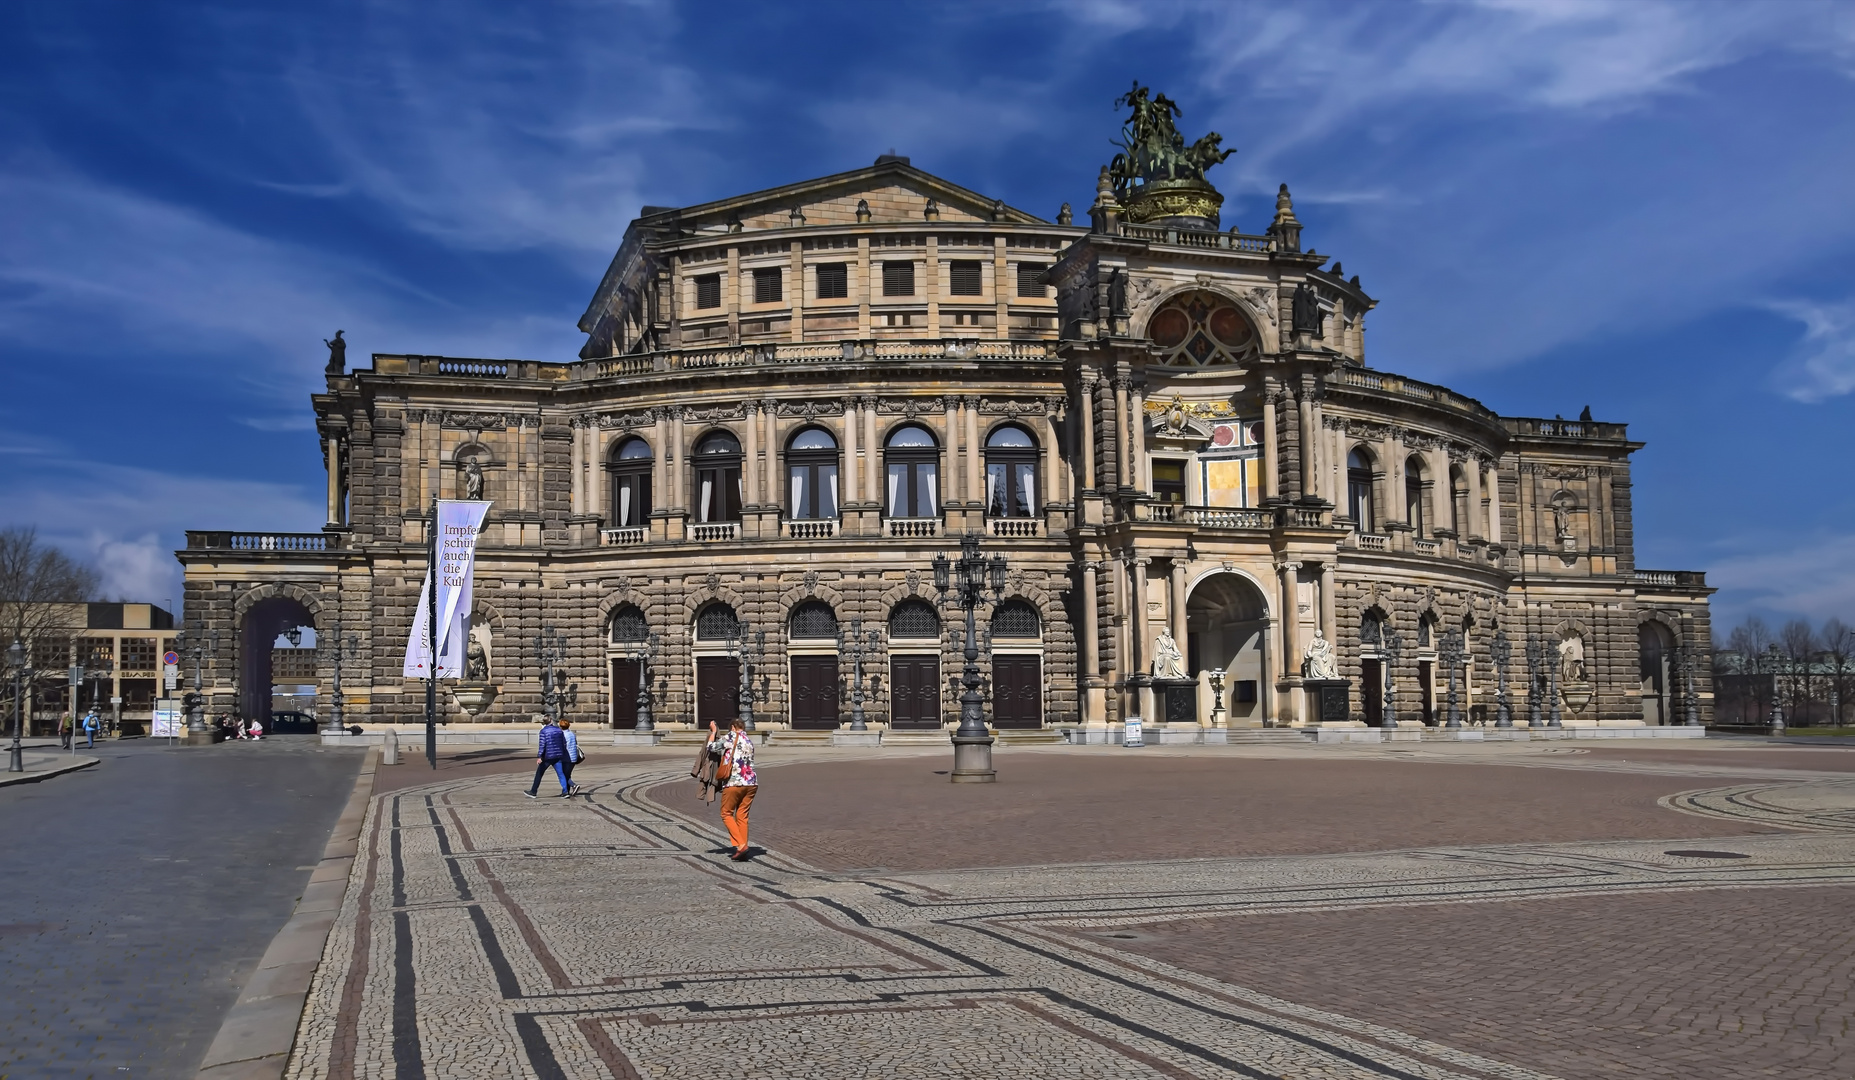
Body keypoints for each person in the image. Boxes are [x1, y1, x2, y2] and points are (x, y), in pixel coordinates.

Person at [707, 718, 758, 860]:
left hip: (734, 782)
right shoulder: (749, 740)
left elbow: (710, 747)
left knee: (726, 813)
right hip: (752, 783)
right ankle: (743, 846)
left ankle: (741, 845)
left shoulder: (731, 736)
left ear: (733, 727)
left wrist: (714, 732)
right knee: (742, 816)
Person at [525, 716, 570, 798]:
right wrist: (562, 752)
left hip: (547, 757)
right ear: (551, 721)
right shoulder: (559, 730)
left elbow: (542, 745)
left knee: (539, 774)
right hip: (558, 756)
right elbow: (564, 743)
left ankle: (533, 791)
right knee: (561, 774)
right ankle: (565, 791)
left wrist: (539, 756)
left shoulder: (543, 731)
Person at [559, 719, 584, 795]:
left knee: (563, 775)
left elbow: (563, 746)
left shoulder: (562, 735)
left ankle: (574, 785)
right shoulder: (572, 734)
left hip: (567, 757)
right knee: (567, 774)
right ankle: (566, 791)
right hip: (573, 757)